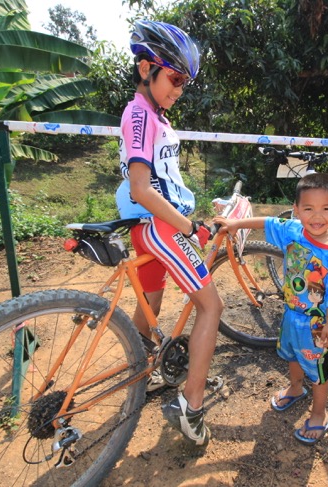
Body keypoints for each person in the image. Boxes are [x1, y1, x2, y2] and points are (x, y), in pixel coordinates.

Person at [116, 19, 221, 446]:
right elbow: (142, 189)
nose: (179, 89)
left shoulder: (152, 115)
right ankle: (191, 405)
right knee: (211, 308)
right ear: (146, 69)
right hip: (160, 228)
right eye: (175, 78)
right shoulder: (139, 113)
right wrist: (190, 227)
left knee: (150, 311)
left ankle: (139, 380)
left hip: (153, 230)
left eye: (184, 83)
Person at [214, 173, 328, 444]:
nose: (317, 216)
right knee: (291, 355)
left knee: (319, 370)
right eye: (309, 209)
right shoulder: (293, 230)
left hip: (316, 323)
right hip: (291, 314)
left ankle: (319, 415)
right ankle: (295, 388)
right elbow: (266, 221)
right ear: (296, 210)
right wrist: (235, 223)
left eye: (326, 209)